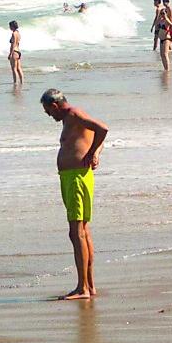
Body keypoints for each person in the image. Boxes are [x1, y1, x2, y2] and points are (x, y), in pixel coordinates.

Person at [40, 89, 108, 300]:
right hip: (73, 177)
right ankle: (89, 285)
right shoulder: (72, 118)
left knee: (77, 231)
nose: (50, 116)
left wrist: (91, 153)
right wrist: (95, 152)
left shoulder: (73, 114)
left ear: (55, 106)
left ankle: (83, 288)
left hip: (76, 178)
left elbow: (103, 129)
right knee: (82, 231)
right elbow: (97, 133)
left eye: (48, 112)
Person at [8, 20, 23, 84]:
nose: (9, 27)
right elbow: (17, 43)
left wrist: (10, 54)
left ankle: (15, 82)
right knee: (19, 68)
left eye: (10, 26)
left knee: (14, 69)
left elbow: (13, 44)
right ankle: (22, 82)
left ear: (12, 26)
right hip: (18, 51)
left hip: (14, 52)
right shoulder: (18, 33)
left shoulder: (13, 33)